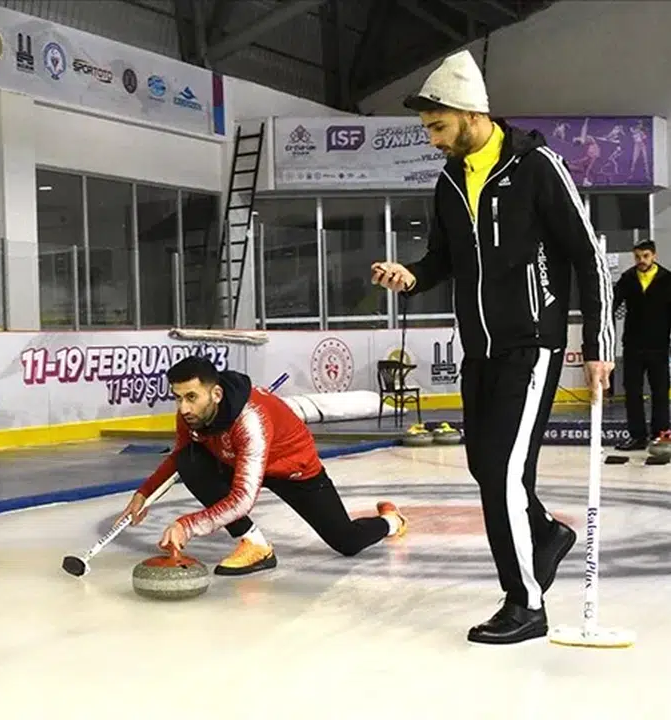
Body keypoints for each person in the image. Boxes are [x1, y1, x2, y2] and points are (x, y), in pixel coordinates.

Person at [371, 50, 616, 644]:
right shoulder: (450, 181)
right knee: (486, 467)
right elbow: (442, 259)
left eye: (438, 126)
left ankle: (526, 603)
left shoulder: (538, 168)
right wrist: (412, 275)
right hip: (478, 348)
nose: (432, 140)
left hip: (532, 344)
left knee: (504, 473)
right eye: (428, 129)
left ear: (471, 115)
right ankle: (547, 533)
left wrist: (599, 343)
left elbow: (588, 256)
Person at [116, 356, 408, 576]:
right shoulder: (191, 415)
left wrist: (187, 525)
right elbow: (180, 454)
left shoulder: (250, 420)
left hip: (291, 469)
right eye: (178, 398)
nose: (183, 408)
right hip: (237, 460)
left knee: (346, 541)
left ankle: (392, 521)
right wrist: (144, 494)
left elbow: (243, 498)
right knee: (189, 459)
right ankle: (254, 544)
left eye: (191, 397)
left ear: (216, 394)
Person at [611, 240, 671, 450]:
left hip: (658, 345)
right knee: (632, 391)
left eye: (645, 256)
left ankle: (660, 433)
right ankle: (637, 436)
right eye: (637, 257)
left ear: (654, 256)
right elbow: (612, 306)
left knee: (660, 391)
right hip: (633, 345)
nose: (641, 260)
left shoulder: (669, 279)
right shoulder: (627, 278)